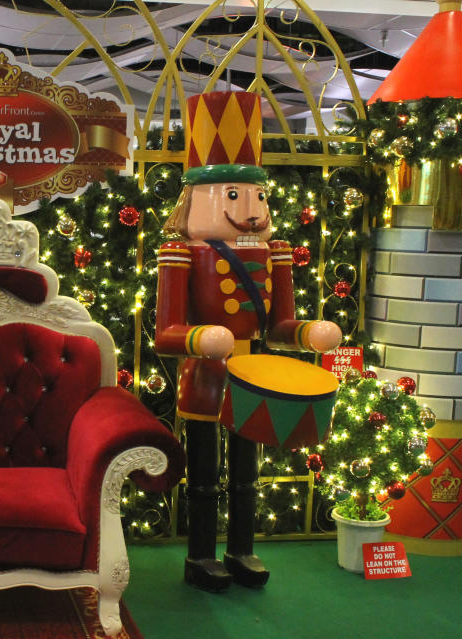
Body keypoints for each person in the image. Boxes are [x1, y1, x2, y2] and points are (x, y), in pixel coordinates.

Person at [155, 91, 341, 592]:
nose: (251, 210)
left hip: (253, 374)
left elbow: (281, 324)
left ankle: (241, 549)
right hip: (205, 378)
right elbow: (166, 332)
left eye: (256, 196)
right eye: (233, 196)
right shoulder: (179, 253)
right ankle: (199, 557)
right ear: (197, 199)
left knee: (245, 472)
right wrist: (199, 337)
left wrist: (307, 332)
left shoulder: (274, 252)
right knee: (204, 475)